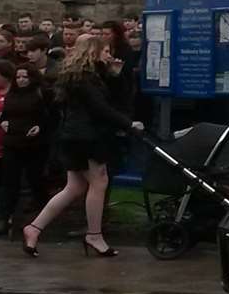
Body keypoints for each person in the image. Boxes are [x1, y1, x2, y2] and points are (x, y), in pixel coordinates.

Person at [19, 33, 144, 258]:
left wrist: (115, 77)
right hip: (87, 138)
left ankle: (34, 228)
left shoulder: (82, 75)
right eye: (105, 51)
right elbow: (101, 108)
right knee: (99, 182)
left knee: (74, 187)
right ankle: (94, 234)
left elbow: (116, 101)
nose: (110, 55)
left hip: (74, 137)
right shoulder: (85, 78)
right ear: (93, 52)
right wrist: (129, 124)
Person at [0, 62, 51, 237]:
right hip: (12, 141)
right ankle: (4, 217)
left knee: (36, 180)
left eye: (24, 77)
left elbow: (51, 116)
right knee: (9, 182)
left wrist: (40, 127)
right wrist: (2, 120)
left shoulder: (41, 93)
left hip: (34, 144)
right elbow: (6, 112)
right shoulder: (13, 93)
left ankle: (40, 218)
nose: (20, 80)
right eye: (18, 77)